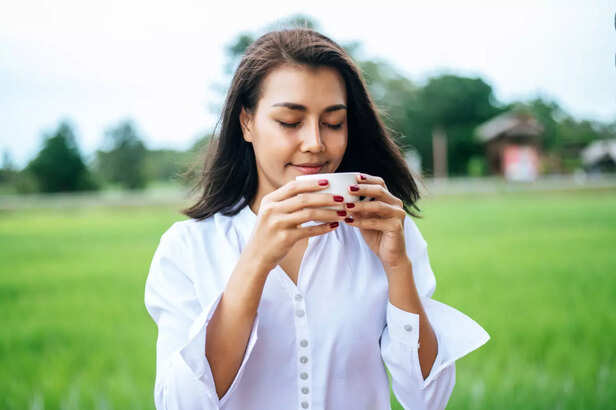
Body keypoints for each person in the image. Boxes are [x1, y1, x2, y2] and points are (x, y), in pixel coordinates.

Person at [144, 28, 489, 410]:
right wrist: (256, 260)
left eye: (334, 122)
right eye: (290, 122)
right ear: (247, 123)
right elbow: (181, 404)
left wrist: (396, 266)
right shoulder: (189, 248)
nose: (315, 143)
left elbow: (428, 399)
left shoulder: (386, 235)